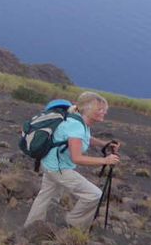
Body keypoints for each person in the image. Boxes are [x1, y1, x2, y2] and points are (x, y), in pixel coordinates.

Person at [24, 92, 121, 230]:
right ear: (88, 109)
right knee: (94, 195)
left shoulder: (79, 121)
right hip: (58, 168)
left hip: (50, 162)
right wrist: (105, 160)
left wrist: (103, 143)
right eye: (100, 109)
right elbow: (77, 158)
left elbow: (84, 138)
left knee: (46, 195)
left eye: (104, 110)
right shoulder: (76, 126)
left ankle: (31, 226)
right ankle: (74, 224)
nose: (104, 112)